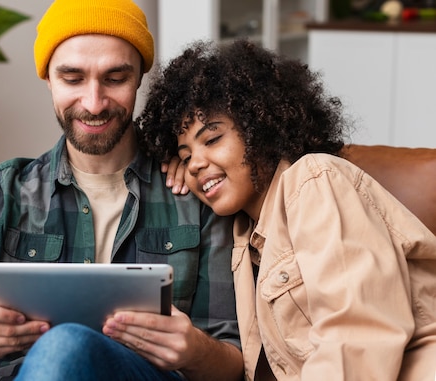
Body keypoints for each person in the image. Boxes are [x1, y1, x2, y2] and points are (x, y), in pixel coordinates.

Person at [0, 1, 244, 380]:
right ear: (48, 79)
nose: (93, 103)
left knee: (67, 344)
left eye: (115, 78)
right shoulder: (11, 193)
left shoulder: (194, 190)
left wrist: (194, 350)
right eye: (72, 78)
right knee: (61, 349)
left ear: (139, 77)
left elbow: (235, 363)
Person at [137, 39, 436, 380]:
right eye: (186, 156)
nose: (194, 165)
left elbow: (355, 336)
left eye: (212, 139)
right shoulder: (242, 239)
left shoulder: (314, 181)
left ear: (259, 128)